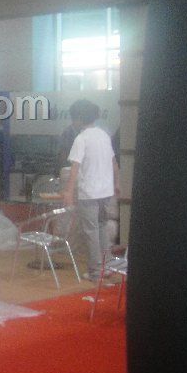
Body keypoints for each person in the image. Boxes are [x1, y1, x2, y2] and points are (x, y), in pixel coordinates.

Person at [61, 99, 120, 282]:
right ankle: (107, 266)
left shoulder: (81, 138)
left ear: (79, 118)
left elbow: (75, 168)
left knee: (91, 231)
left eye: (73, 118)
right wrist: (117, 183)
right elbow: (114, 163)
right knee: (101, 228)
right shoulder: (103, 135)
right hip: (106, 192)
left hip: (89, 193)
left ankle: (95, 271)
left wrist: (68, 192)